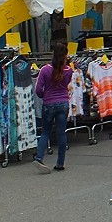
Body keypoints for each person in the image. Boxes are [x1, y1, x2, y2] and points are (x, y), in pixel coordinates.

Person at [33, 43, 72, 173]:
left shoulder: (45, 69)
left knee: (45, 132)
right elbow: (66, 84)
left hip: (49, 103)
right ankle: (60, 163)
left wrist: (44, 96)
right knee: (61, 133)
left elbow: (38, 89)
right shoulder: (69, 70)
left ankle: (39, 158)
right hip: (63, 103)